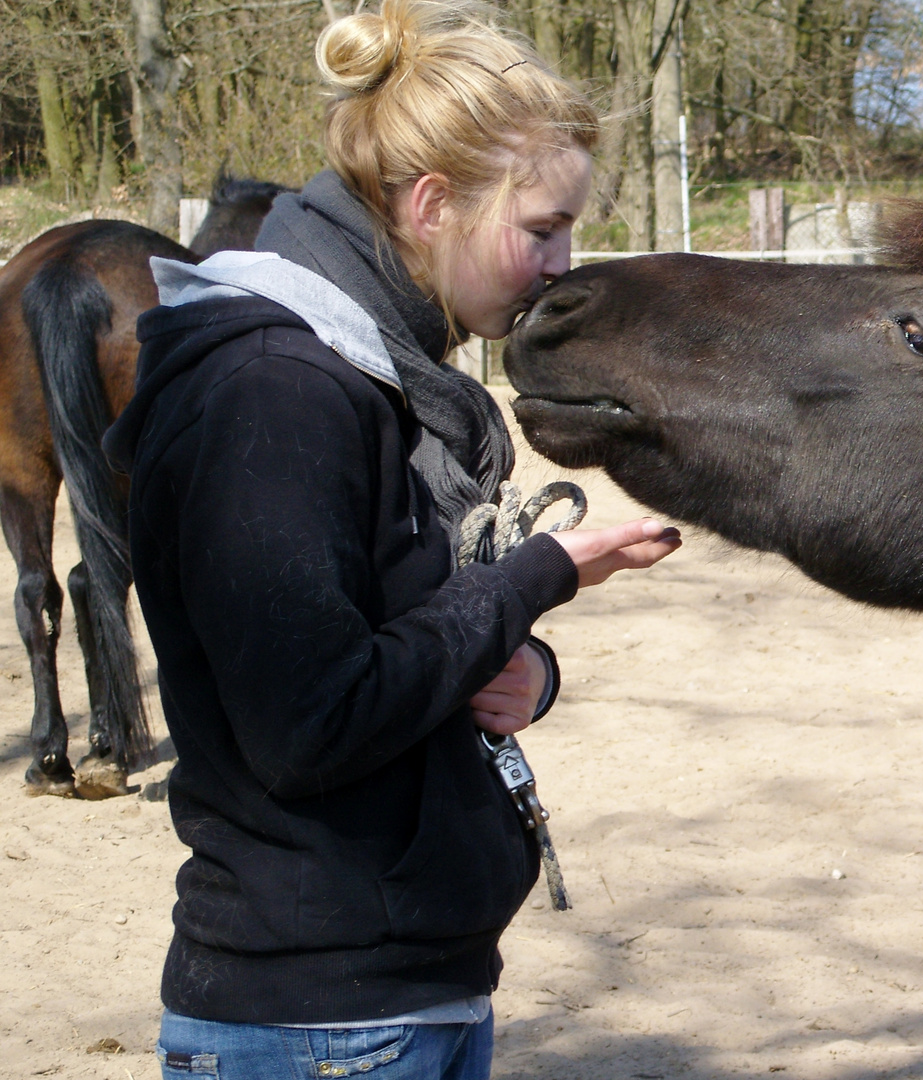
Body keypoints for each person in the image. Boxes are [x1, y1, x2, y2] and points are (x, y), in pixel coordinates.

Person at [101, 3, 679, 1077]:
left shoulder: (371, 378)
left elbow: (398, 635)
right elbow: (310, 720)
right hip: (322, 1023)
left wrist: (523, 672)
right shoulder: (276, 393)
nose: (562, 265)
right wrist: (538, 577)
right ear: (432, 205)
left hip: (402, 998)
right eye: (542, 228)